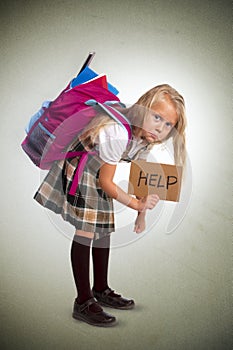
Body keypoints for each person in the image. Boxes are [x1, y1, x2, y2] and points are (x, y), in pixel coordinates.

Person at [34, 84, 187, 327]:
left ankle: (101, 289)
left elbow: (141, 175)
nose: (161, 128)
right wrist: (135, 202)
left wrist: (141, 213)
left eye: (168, 125)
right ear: (144, 109)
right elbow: (106, 182)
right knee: (86, 232)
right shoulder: (117, 132)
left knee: (103, 229)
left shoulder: (146, 138)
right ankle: (83, 301)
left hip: (98, 171)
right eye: (157, 117)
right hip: (82, 170)